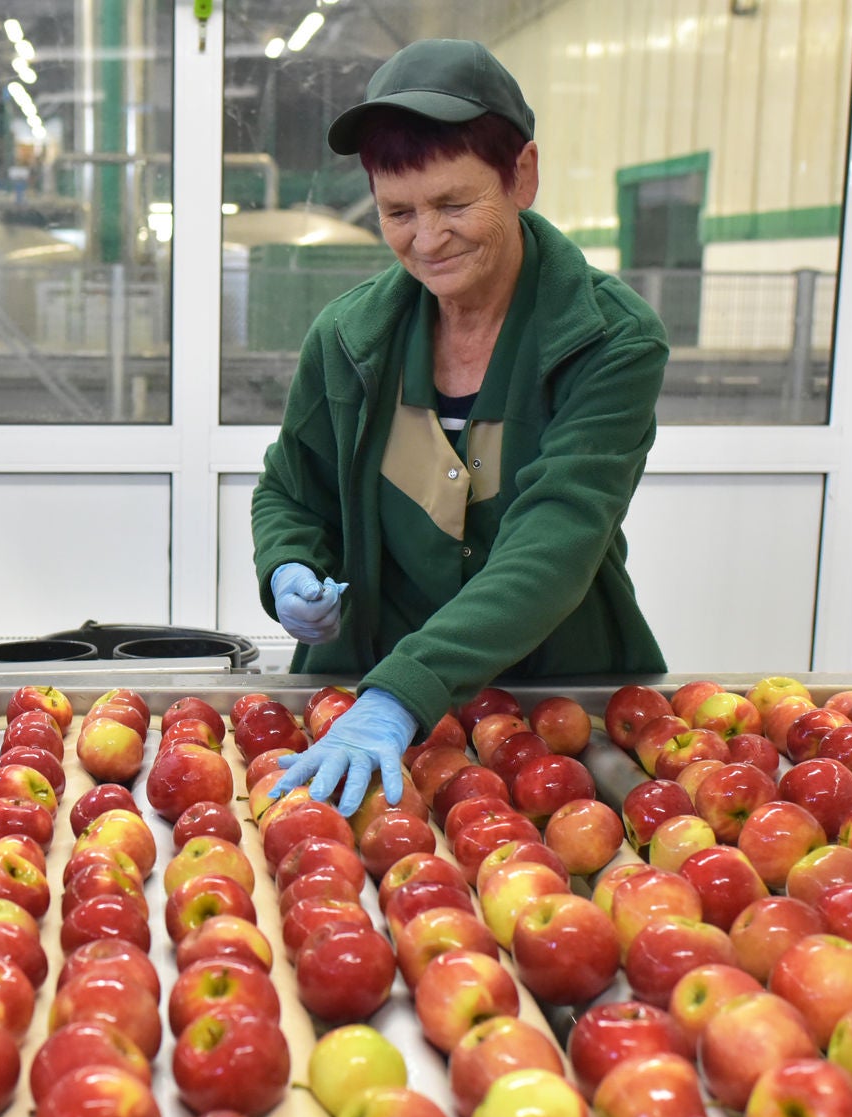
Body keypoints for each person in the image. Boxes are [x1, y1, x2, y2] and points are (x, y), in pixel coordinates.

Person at [256, 38, 669, 817]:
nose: (427, 238)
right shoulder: (350, 339)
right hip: (367, 711)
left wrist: (400, 694)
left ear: (523, 176)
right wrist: (286, 566)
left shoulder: (610, 341)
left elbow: (555, 539)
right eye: (397, 212)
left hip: (548, 707)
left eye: (453, 204)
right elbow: (290, 487)